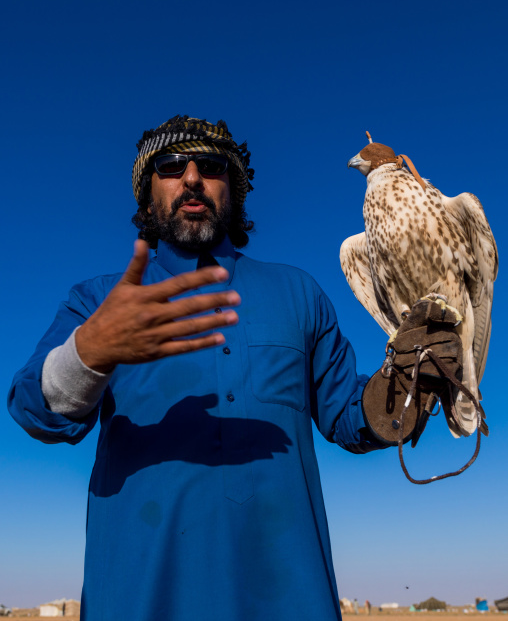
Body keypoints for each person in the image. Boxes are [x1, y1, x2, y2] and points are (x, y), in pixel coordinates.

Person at [8, 115, 460, 621]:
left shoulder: (298, 293)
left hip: (292, 599)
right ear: (147, 189)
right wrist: (90, 349)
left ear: (235, 188)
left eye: (212, 165)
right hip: (137, 599)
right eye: (172, 166)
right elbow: (32, 409)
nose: (192, 177)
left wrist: (408, 384)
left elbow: (349, 417)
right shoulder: (99, 299)